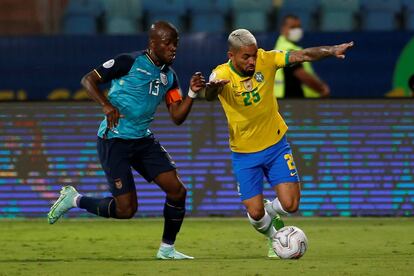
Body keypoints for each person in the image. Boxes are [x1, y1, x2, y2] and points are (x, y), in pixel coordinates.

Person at [47, 21, 206, 260]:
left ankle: (167, 249)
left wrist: (193, 93)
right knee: (126, 210)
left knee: (177, 191)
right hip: (114, 141)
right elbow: (88, 80)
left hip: (142, 141)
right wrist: (106, 105)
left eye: (176, 43)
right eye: (168, 43)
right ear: (153, 44)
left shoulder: (169, 77)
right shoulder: (127, 62)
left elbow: (177, 117)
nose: (174, 48)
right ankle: (74, 199)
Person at [205, 29, 353, 257]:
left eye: (254, 55)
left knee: (291, 205)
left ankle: (270, 210)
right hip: (244, 154)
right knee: (254, 214)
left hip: (276, 145)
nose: (253, 61)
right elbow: (209, 94)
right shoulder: (221, 74)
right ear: (231, 55)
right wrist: (211, 88)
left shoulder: (267, 59)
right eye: (246, 57)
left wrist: (332, 50)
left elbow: (302, 55)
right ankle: (276, 239)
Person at [274, 15, 330, 98]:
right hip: (291, 99)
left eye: (298, 27)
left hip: (282, 98)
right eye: (292, 27)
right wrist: (322, 88)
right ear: (283, 29)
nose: (296, 30)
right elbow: (300, 73)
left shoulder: (281, 46)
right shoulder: (288, 49)